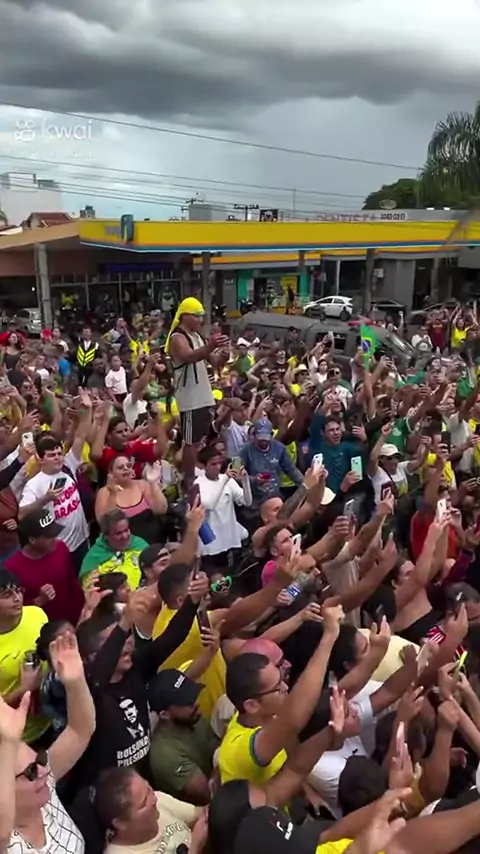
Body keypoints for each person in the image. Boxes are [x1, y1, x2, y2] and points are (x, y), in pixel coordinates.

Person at [0, 631, 95, 854]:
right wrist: (8, 743)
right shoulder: (8, 841)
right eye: (31, 772)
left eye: (40, 760)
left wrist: (75, 682)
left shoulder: (45, 787)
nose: (44, 772)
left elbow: (80, 731)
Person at [165, 297, 230, 484]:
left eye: (202, 316)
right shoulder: (177, 337)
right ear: (185, 315)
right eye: (197, 316)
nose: (200, 320)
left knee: (199, 439)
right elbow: (189, 356)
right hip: (190, 397)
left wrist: (224, 353)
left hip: (203, 395)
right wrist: (211, 345)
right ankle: (188, 478)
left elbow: (214, 361)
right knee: (190, 441)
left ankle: (196, 472)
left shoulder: (197, 336)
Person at [92, 766, 203, 854]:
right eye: (144, 803)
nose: (154, 799)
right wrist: (196, 846)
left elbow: (198, 814)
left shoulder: (159, 800)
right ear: (120, 823)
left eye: (149, 789)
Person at [147, 669, 218, 803]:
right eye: (188, 703)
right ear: (165, 714)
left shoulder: (193, 718)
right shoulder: (166, 754)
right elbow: (209, 794)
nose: (196, 703)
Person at [4, 509, 84, 625]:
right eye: (49, 537)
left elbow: (73, 582)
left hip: (73, 620)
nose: (55, 539)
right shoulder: (11, 568)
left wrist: (82, 612)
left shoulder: (60, 548)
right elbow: (11, 610)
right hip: (41, 627)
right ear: (32, 540)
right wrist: (39, 601)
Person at [79, 510, 149, 590]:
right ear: (106, 536)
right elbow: (90, 589)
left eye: (126, 530)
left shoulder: (140, 545)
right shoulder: (94, 557)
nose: (125, 536)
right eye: (118, 533)